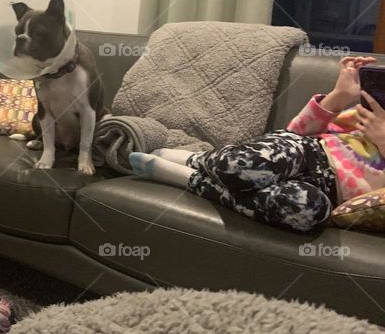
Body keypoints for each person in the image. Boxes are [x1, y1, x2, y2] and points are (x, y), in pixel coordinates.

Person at [129, 55, 384, 233]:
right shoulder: (372, 115)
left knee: (308, 214)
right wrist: (339, 97)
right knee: (248, 166)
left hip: (327, 194)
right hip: (307, 152)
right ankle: (195, 160)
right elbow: (296, 133)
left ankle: (191, 180)